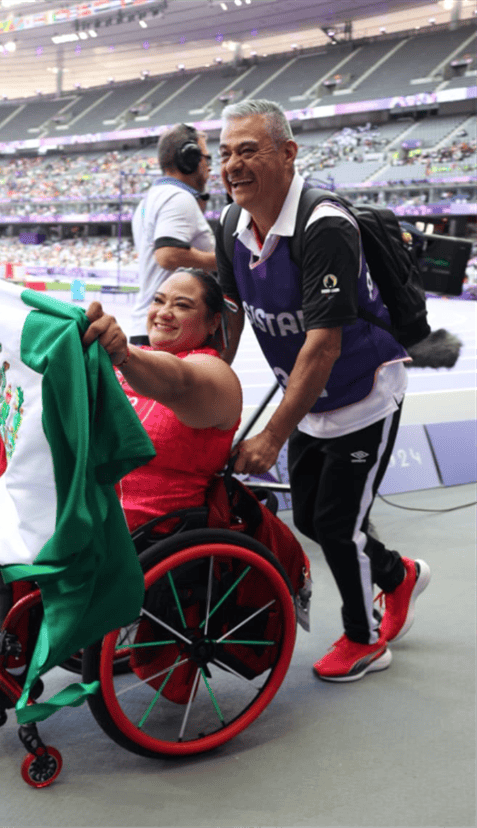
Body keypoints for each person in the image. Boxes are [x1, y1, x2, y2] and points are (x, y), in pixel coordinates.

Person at [0, 268, 242, 722]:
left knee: (43, 550)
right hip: (104, 506)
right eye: (159, 300)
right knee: (8, 523)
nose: (165, 312)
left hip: (157, 526)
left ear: (214, 322)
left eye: (183, 305)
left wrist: (122, 354)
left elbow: (176, 382)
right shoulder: (135, 358)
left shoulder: (212, 374)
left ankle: (8, 667)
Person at [215, 99, 430, 683]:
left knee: (335, 524)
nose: (232, 165)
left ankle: (364, 640)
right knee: (311, 515)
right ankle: (397, 574)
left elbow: (323, 346)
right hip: (309, 398)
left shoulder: (325, 225)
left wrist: (271, 435)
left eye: (248, 150)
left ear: (288, 154)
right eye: (225, 152)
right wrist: (203, 383)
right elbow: (232, 315)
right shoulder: (232, 225)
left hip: (362, 391)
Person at [130, 124, 217, 345]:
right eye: (206, 158)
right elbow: (168, 255)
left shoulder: (150, 199)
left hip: (154, 325)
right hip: (171, 328)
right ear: (189, 158)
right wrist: (225, 260)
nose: (208, 166)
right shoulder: (178, 197)